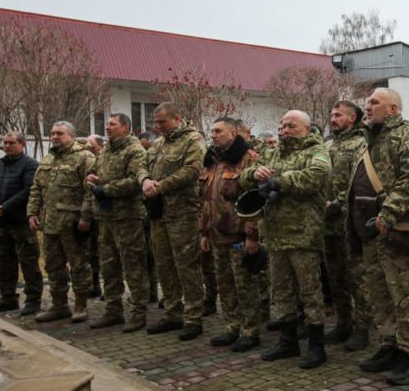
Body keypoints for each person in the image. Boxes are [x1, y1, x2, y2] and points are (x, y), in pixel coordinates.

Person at [239, 110, 331, 369]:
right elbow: (247, 175)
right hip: (275, 234)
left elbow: (316, 176)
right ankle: (288, 341)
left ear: (306, 128)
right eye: (282, 125)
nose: (284, 130)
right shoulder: (274, 152)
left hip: (303, 234)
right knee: (281, 290)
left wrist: (279, 181)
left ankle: (316, 346)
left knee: (310, 291)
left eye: (291, 126)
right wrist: (254, 175)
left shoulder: (316, 150)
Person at [351, 88, 409, 386]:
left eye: (374, 103)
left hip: (398, 230)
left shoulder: (406, 136)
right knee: (381, 293)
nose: (367, 107)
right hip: (373, 232)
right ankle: (389, 346)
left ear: (393, 109)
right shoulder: (372, 138)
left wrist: (389, 213)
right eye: (368, 102)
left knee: (406, 296)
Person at [142, 102, 207, 341]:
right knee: (164, 264)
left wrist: (160, 186)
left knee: (187, 265)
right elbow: (142, 166)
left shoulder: (193, 140)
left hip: (183, 213)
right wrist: (145, 181)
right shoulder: (158, 144)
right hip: (159, 213)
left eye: (162, 122)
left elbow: (192, 170)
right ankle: (172, 313)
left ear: (177, 118)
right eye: (156, 123)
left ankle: (193, 317)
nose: (158, 127)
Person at [199, 117, 262, 352]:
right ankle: (232, 326)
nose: (213, 135)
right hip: (217, 235)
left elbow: (255, 202)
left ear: (233, 133)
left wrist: (252, 236)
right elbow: (205, 200)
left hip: (238, 235)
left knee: (244, 284)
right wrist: (204, 232)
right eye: (211, 131)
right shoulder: (212, 161)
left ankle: (250, 330)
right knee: (224, 283)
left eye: (218, 131)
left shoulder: (249, 160)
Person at [84, 113, 151, 333]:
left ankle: (138, 312)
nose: (108, 128)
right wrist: (90, 182)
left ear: (125, 127)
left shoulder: (135, 150)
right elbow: (92, 174)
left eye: (113, 124)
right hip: (105, 217)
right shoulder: (105, 151)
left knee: (133, 265)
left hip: (127, 217)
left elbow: (134, 182)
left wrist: (105, 189)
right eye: (107, 124)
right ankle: (113, 311)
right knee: (108, 266)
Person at [27, 121, 95, 323]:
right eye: (52, 133)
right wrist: (32, 213)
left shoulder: (85, 157)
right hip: (49, 224)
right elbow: (36, 189)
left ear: (72, 136)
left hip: (72, 223)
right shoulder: (48, 159)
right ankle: (59, 305)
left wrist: (85, 216)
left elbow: (90, 191)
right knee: (53, 265)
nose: (55, 136)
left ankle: (81, 305)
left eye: (59, 133)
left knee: (79, 265)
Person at [323, 100, 371, 351]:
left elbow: (358, 183)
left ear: (352, 118)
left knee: (357, 277)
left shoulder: (360, 143)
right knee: (336, 276)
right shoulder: (328, 144)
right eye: (332, 114)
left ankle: (362, 328)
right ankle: (343, 323)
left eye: (338, 114)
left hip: (349, 221)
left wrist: (337, 203)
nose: (333, 118)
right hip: (327, 223)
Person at [0, 132, 43, 315]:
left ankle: (33, 300)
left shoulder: (30, 165)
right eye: (5, 143)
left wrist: (5, 207)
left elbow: (28, 191)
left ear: (22, 144)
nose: (7, 146)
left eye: (12, 143)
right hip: (2, 224)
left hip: (21, 223)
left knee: (28, 263)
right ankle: (7, 298)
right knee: (3, 263)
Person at [137, 131, 160, 303]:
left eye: (147, 148)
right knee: (145, 256)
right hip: (142, 213)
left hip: (159, 210)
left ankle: (162, 293)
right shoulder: (146, 160)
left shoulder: (160, 158)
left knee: (157, 256)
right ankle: (151, 292)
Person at [84, 134, 105, 299]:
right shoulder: (87, 162)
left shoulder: (104, 161)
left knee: (103, 253)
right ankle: (94, 284)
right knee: (90, 253)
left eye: (92, 147)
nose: (89, 150)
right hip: (89, 213)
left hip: (103, 213)